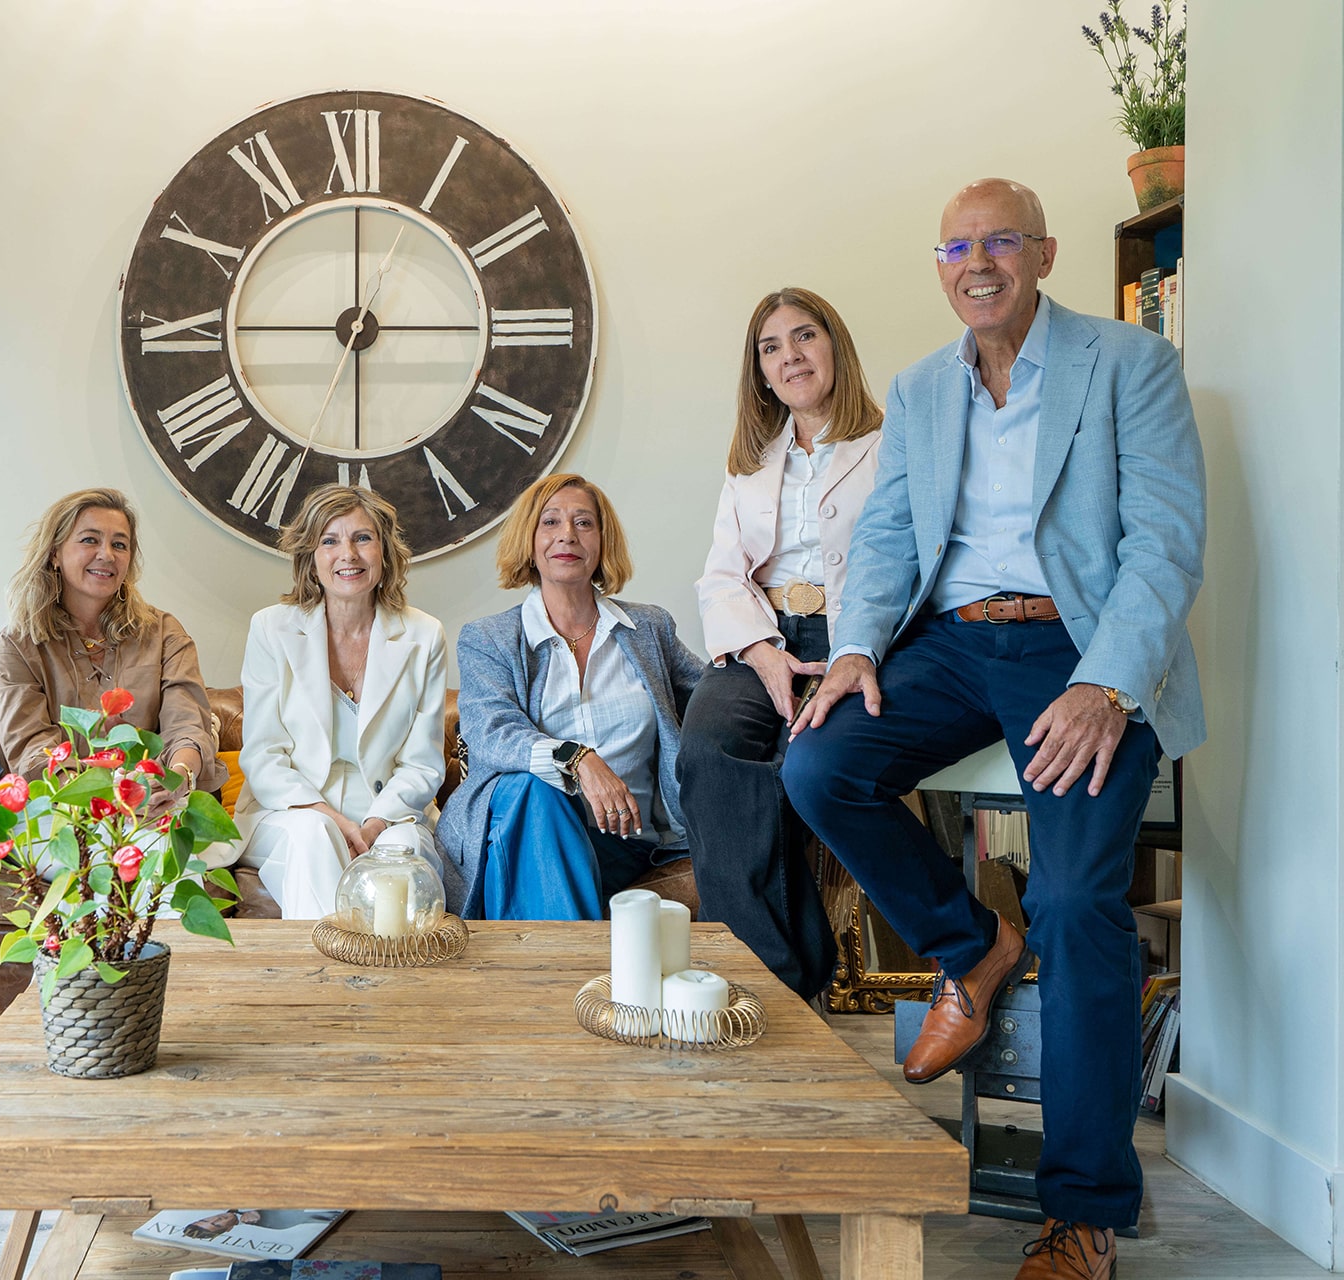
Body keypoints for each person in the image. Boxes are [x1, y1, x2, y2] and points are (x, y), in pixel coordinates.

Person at [784, 178, 1205, 1280]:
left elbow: (1165, 544)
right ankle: (972, 946)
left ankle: (1084, 1213)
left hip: (1082, 646)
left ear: (1044, 253)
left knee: (1072, 900)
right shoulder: (923, 389)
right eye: (957, 247)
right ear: (940, 267)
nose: (978, 263)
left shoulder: (1130, 364)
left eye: (1001, 241)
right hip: (956, 644)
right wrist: (858, 647)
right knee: (819, 766)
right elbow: (886, 540)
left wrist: (1107, 682)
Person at [677, 288, 883, 1002]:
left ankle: (778, 982)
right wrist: (761, 650)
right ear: (760, 372)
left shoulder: (891, 444)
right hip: (763, 633)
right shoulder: (751, 461)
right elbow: (721, 574)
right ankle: (775, 977)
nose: (789, 356)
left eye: (804, 337)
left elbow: (910, 560)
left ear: (835, 346)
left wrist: (860, 644)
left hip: (854, 636)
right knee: (707, 751)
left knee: (803, 770)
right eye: (771, 348)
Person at [438, 474, 707, 919]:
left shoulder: (649, 629)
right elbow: (491, 732)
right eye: (550, 522)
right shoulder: (489, 638)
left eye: (584, 523)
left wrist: (767, 665)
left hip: (625, 842)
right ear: (529, 540)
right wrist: (578, 759)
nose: (567, 534)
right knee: (532, 789)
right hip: (523, 829)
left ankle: (555, 956)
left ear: (602, 541)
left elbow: (711, 698)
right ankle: (580, 957)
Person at [234, 485, 449, 919]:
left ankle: (391, 966)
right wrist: (331, 818)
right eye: (329, 541)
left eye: (362, 538)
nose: (347, 554)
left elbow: (422, 764)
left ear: (384, 552)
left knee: (399, 853)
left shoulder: (424, 635)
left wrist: (374, 824)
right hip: (291, 811)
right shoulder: (271, 629)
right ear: (310, 558)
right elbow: (263, 755)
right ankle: (327, 963)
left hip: (391, 814)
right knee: (314, 835)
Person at [0, 486, 224, 804]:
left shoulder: (165, 633)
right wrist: (101, 802)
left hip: (162, 803)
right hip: (66, 808)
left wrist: (177, 778)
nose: (107, 555)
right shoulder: (16, 647)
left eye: (120, 545)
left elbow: (186, 724)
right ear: (55, 553)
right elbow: (31, 750)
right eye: (90, 540)